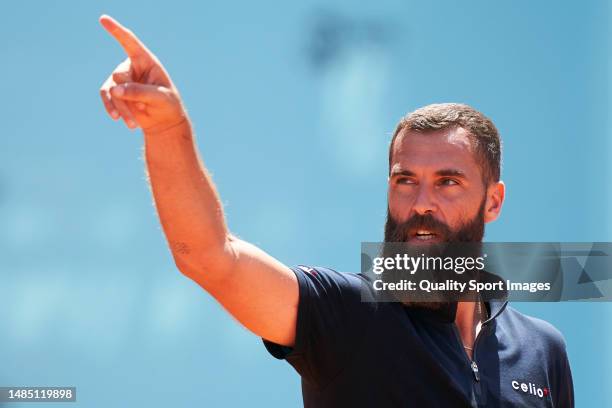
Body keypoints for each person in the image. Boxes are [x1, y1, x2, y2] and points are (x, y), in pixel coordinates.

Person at [98, 14, 574, 407]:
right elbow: (209, 255)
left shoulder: (543, 350)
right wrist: (166, 130)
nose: (421, 203)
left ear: (493, 201)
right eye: (404, 180)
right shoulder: (349, 316)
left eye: (447, 182)